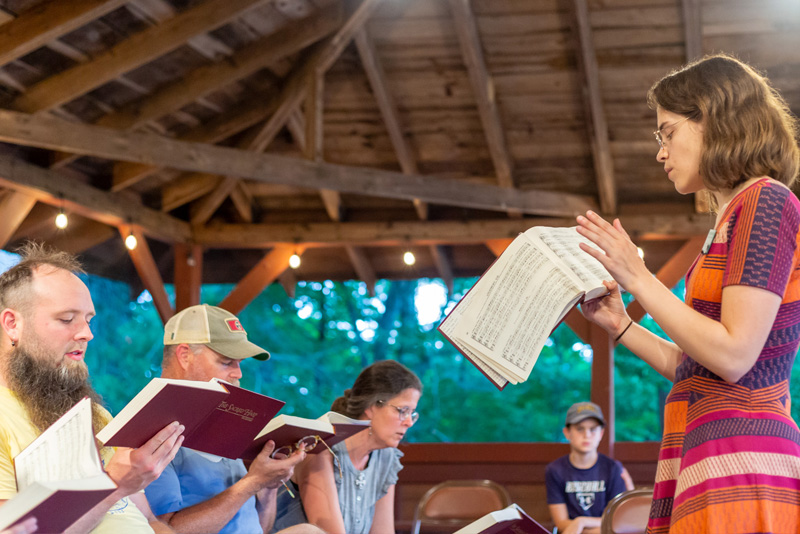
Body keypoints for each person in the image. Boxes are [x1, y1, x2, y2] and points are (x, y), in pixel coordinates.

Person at [575, 54, 800, 534]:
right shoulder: (732, 214)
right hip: (708, 445)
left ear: (714, 119)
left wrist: (637, 276)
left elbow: (735, 356)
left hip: (743, 455)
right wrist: (621, 325)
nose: (660, 151)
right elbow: (697, 365)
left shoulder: (765, 200)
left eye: (667, 132)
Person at [0, 243, 185, 533]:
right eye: (66, 319)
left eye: (88, 320)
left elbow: (149, 521)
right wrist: (114, 484)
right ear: (12, 324)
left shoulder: (96, 415)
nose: (87, 334)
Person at [144, 304, 322, 534]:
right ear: (185, 355)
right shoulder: (151, 427)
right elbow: (163, 529)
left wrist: (267, 489)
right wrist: (251, 483)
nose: (238, 374)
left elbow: (258, 527)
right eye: (227, 362)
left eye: (239, 364)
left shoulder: (225, 420)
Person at [273, 359, 422, 534]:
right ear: (372, 406)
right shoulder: (321, 448)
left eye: (412, 413)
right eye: (403, 410)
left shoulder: (386, 457)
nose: (409, 422)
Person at [545, 402, 632, 534]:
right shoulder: (555, 470)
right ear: (567, 433)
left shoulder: (613, 468)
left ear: (601, 433)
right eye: (580, 429)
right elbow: (561, 523)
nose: (587, 435)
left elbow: (617, 519)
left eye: (593, 429)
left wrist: (581, 522)